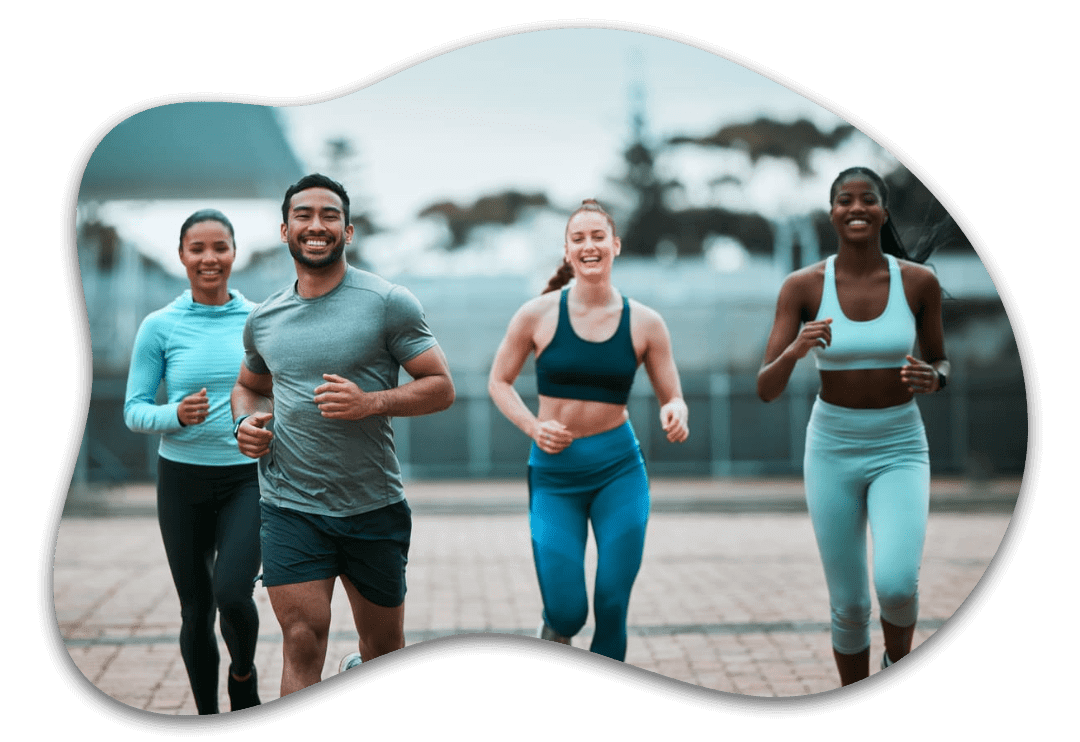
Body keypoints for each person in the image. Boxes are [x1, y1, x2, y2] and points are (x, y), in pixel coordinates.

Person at [231, 173, 454, 695]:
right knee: (303, 639)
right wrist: (244, 423)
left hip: (371, 506)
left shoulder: (388, 302)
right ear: (283, 230)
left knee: (383, 649)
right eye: (303, 215)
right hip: (290, 504)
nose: (316, 225)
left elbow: (441, 387)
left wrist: (369, 402)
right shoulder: (264, 319)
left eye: (329, 215)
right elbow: (248, 386)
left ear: (348, 231)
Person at [757, 167, 949, 686]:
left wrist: (935, 377)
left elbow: (941, 362)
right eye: (845, 200)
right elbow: (765, 387)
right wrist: (796, 349)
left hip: (900, 444)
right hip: (832, 447)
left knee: (896, 585)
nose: (857, 208)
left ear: (883, 212)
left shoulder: (918, 283)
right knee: (848, 604)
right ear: (832, 212)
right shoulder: (802, 286)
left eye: (868, 200)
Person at [488, 199, 689, 662]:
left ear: (615, 245)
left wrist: (676, 411)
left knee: (612, 604)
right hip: (555, 475)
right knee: (567, 611)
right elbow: (498, 381)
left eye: (598, 236)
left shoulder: (646, 322)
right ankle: (554, 629)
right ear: (566, 252)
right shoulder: (536, 315)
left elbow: (672, 394)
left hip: (619, 470)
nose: (589, 245)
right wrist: (533, 427)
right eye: (578, 238)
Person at [124, 209, 262, 714]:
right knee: (196, 608)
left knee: (233, 593)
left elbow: (282, 393)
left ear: (233, 252)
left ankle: (242, 675)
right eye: (197, 248)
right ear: (182, 255)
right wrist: (175, 415)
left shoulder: (259, 319)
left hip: (246, 479)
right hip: (181, 482)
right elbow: (134, 410)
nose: (210, 258)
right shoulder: (159, 326)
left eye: (220, 247)